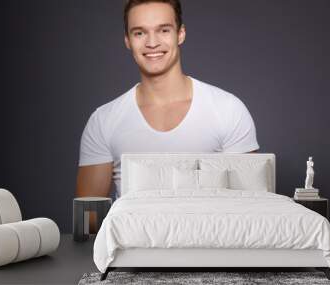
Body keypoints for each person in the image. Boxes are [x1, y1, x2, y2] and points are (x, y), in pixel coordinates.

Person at [76, 0, 260, 230]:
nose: (152, 42)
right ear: (127, 41)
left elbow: (254, 210)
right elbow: (88, 220)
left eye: (163, 30)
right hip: (131, 258)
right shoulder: (103, 121)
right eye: (140, 32)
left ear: (180, 34)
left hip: (213, 255)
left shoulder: (228, 109)